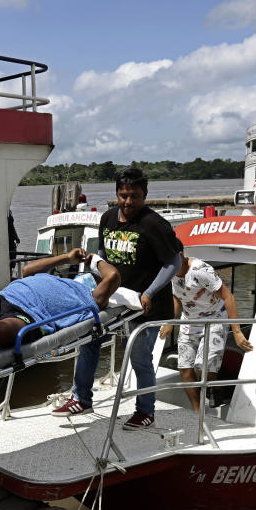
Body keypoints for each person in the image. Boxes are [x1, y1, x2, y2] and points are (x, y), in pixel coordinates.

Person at [52, 166, 179, 429]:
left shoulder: (154, 224)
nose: (128, 201)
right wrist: (97, 272)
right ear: (116, 194)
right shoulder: (107, 218)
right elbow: (102, 252)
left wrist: (150, 292)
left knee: (140, 358)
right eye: (123, 195)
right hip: (115, 296)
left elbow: (173, 263)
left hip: (146, 304)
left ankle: (146, 411)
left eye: (135, 196)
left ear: (145, 195)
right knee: (89, 339)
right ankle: (82, 398)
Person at [159, 240, 253, 412]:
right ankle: (197, 411)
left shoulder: (200, 271)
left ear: (180, 255)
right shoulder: (170, 272)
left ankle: (217, 389)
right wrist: (169, 322)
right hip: (189, 320)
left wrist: (237, 332)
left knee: (203, 366)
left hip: (214, 318)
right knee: (185, 369)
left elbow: (228, 297)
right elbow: (176, 297)